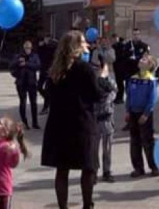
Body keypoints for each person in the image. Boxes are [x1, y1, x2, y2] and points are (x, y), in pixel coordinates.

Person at [42, 30, 108, 209]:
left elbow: (48, 95)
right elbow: (97, 95)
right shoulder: (84, 68)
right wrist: (102, 78)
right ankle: (87, 205)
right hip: (81, 124)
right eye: (84, 42)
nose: (87, 45)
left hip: (58, 124)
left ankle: (62, 207)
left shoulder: (55, 70)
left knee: (62, 169)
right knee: (88, 167)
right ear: (76, 46)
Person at [126, 54, 159, 178]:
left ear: (150, 65)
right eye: (141, 59)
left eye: (145, 60)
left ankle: (154, 166)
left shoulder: (151, 80)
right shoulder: (133, 78)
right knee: (135, 141)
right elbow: (129, 95)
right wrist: (128, 110)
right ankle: (138, 168)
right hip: (133, 113)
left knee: (148, 141)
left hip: (145, 114)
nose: (141, 60)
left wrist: (146, 113)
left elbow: (152, 99)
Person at [92, 49, 118, 183]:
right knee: (94, 148)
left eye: (98, 66)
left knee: (107, 148)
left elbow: (113, 94)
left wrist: (104, 89)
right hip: (95, 119)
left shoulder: (109, 80)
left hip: (107, 118)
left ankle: (106, 171)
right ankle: (94, 172)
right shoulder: (90, 82)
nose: (96, 69)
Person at [10, 40, 41, 130]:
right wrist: (18, 63)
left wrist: (26, 64)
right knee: (22, 103)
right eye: (26, 48)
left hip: (32, 82)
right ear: (23, 48)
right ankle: (24, 122)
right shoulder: (18, 56)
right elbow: (11, 66)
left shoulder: (35, 56)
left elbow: (38, 66)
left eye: (29, 48)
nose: (27, 50)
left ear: (31, 48)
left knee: (33, 103)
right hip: (21, 82)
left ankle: (35, 122)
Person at [37, 36, 57, 115]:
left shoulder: (53, 47)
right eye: (45, 39)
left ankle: (45, 107)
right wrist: (40, 45)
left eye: (48, 39)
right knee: (39, 87)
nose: (46, 40)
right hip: (43, 70)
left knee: (48, 89)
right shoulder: (42, 47)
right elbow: (39, 53)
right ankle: (48, 99)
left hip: (50, 71)